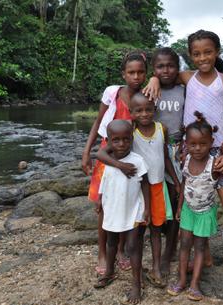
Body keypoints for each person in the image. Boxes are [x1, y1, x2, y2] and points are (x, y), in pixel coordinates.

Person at [144, 30, 223, 272]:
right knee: (196, 204)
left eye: (208, 52)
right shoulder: (187, 78)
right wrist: (153, 80)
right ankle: (207, 256)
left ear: (217, 52)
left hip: (218, 153)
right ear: (190, 56)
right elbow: (163, 73)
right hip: (191, 155)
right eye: (197, 54)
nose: (203, 58)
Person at [98, 92, 180, 288]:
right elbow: (102, 154)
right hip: (137, 190)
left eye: (148, 109)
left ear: (155, 110)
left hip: (157, 186)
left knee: (156, 229)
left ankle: (156, 268)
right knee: (138, 233)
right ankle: (133, 272)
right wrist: (121, 166)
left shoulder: (162, 129)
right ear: (132, 113)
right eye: (139, 110)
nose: (144, 114)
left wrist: (176, 181)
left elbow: (165, 157)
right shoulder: (129, 132)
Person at [167, 112, 223, 301]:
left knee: (200, 247)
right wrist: (179, 207)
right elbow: (185, 184)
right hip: (188, 211)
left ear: (211, 142)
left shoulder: (215, 165)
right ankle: (181, 281)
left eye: (203, 144)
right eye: (192, 144)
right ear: (186, 143)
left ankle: (195, 284)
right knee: (184, 244)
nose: (197, 148)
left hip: (204, 213)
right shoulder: (186, 159)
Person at [81, 51, 147, 276]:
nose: (136, 77)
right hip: (107, 157)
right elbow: (98, 122)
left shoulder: (147, 96)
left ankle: (119, 251)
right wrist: (86, 151)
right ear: (123, 74)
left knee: (127, 203)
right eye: (131, 72)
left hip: (132, 156)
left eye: (140, 72)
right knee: (105, 206)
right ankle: (102, 252)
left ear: (146, 75)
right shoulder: (113, 92)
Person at [93, 120, 150, 305]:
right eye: (116, 140)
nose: (121, 144)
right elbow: (106, 179)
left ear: (131, 139)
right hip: (112, 207)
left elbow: (145, 184)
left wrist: (147, 208)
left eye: (126, 139)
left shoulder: (137, 160)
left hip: (132, 208)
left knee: (133, 246)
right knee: (111, 242)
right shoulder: (110, 161)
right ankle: (110, 272)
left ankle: (136, 283)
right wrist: (100, 198)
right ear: (109, 140)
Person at [151, 47, 185, 276]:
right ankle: (160, 243)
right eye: (160, 67)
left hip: (176, 150)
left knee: (175, 200)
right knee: (155, 200)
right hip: (153, 151)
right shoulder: (149, 90)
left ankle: (169, 252)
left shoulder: (184, 90)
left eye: (171, 66)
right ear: (153, 69)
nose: (166, 70)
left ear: (178, 68)